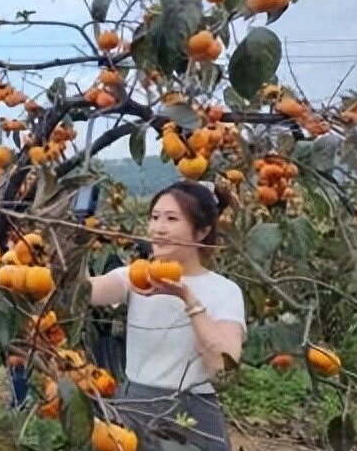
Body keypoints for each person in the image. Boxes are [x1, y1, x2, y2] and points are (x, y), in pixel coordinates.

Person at [88, 180, 246, 451]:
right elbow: (85, 291)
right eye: (154, 217)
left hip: (191, 414)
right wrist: (72, 242)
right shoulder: (136, 277)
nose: (158, 228)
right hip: (135, 407)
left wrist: (187, 297)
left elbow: (222, 366)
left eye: (172, 219)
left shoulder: (224, 291)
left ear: (202, 231)